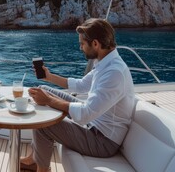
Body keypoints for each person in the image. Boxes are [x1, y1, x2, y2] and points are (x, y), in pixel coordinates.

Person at [20, 18, 135, 172]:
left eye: (82, 43)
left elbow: (85, 114)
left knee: (44, 123)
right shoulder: (105, 62)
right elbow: (81, 85)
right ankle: (34, 158)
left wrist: (49, 101)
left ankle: (42, 169)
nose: (80, 47)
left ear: (95, 43)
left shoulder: (114, 72)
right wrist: (49, 77)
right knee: (43, 88)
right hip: (93, 123)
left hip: (102, 140)